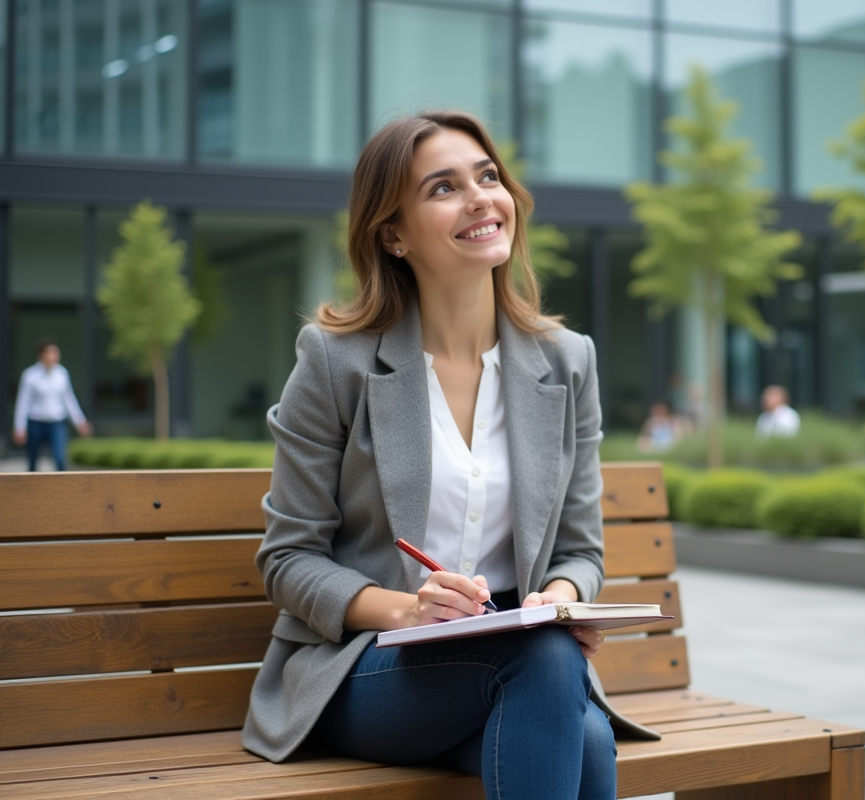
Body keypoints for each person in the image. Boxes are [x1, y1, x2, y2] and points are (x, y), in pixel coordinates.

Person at [241, 111, 653, 800]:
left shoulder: (567, 361)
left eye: (487, 176)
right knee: (558, 692)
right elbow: (287, 560)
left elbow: (581, 552)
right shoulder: (333, 361)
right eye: (443, 188)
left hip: (525, 665)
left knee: (575, 726)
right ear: (393, 234)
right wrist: (405, 610)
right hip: (366, 672)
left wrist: (558, 601)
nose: (480, 198)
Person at [12, 339, 92, 471]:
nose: (54, 356)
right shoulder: (30, 375)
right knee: (32, 462)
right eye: (51, 352)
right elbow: (23, 402)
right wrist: (20, 427)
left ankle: (61, 491)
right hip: (36, 423)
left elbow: (69, 399)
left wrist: (80, 422)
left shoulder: (62, 373)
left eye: (56, 352)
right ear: (41, 355)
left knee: (60, 459)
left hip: (57, 423)